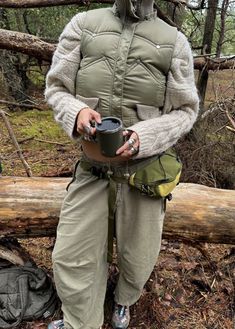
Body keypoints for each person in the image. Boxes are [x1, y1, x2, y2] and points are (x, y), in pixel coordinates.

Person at [45, 0, 199, 328]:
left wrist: (145, 136)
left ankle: (123, 302)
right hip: (93, 170)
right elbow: (56, 88)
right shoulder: (82, 25)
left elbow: (186, 110)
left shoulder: (175, 42)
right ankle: (79, 321)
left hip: (145, 173)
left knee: (138, 257)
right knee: (71, 257)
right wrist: (76, 113)